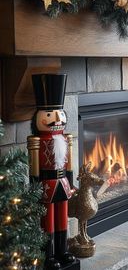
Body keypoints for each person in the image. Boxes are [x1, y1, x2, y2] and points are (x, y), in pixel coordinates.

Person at [27, 74, 77, 269]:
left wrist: (71, 184)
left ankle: (62, 251)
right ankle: (48, 256)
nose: (56, 118)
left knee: (62, 218)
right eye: (49, 114)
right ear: (39, 117)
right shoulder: (38, 141)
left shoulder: (65, 139)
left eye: (59, 113)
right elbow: (34, 169)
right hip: (46, 185)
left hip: (63, 184)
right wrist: (34, 188)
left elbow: (69, 165)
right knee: (47, 220)